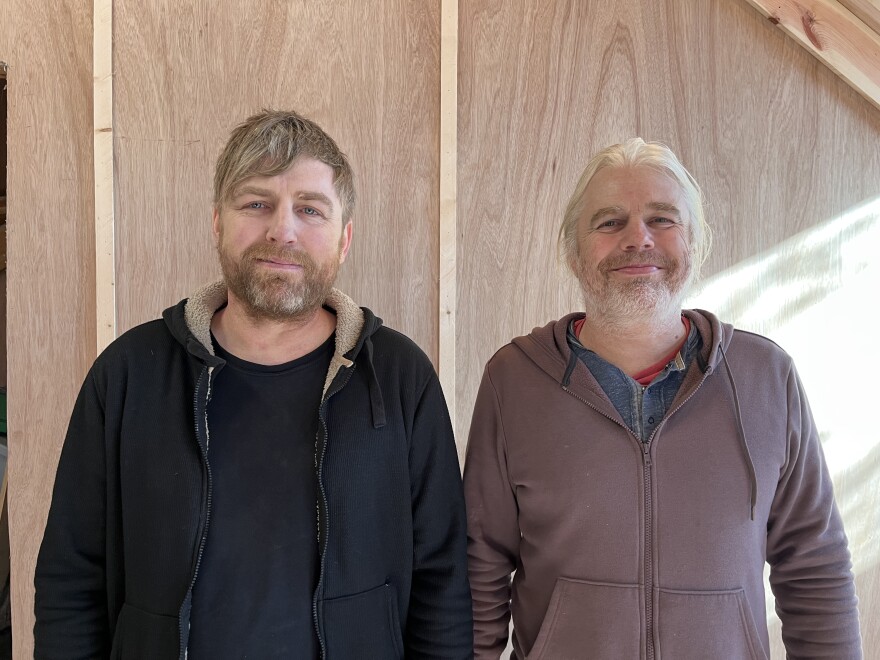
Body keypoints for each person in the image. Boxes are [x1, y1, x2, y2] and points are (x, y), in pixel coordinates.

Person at [34, 109, 472, 659]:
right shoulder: (128, 372)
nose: (281, 230)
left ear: (345, 239)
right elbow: (71, 577)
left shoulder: (401, 376)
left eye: (310, 210)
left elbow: (442, 581)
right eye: (256, 203)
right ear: (218, 221)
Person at [464, 138, 862, 659]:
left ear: (695, 241)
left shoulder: (766, 378)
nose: (638, 239)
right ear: (572, 251)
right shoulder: (513, 379)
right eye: (609, 222)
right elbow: (479, 567)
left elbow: (814, 565)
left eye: (663, 219)